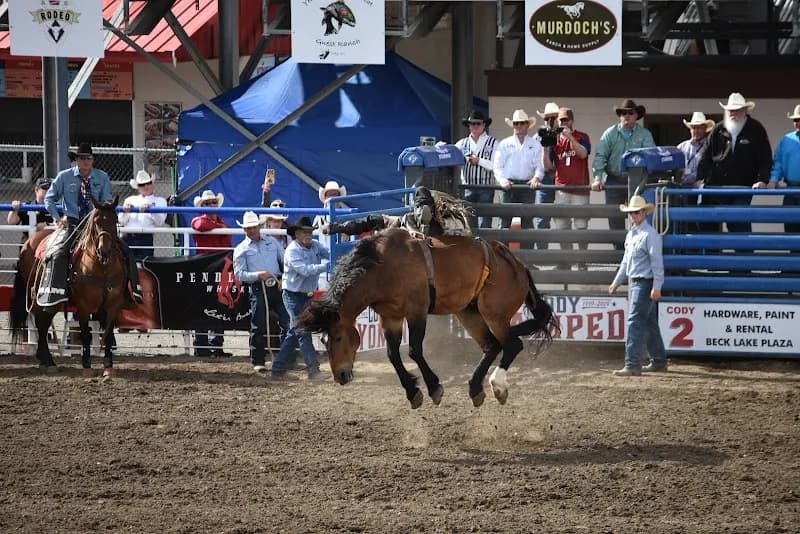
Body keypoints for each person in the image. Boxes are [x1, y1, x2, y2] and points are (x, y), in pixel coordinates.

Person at [40, 142, 143, 308]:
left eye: (88, 158)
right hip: (73, 224)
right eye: (82, 158)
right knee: (59, 253)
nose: (86, 161)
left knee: (126, 251)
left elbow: (107, 199)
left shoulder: (102, 177)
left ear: (93, 160)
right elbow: (49, 198)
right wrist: (57, 218)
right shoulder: (64, 177)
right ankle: (56, 292)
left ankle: (132, 292)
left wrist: (107, 207)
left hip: (96, 225)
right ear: (76, 160)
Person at [697, 93, 772, 233]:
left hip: (743, 186)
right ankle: (713, 254)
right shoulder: (718, 129)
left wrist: (762, 180)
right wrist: (700, 178)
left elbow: (765, 158)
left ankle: (744, 254)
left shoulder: (756, 129)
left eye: (737, 110)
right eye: (730, 110)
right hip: (717, 187)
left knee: (739, 222)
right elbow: (705, 156)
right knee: (710, 223)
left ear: (745, 111)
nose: (733, 113)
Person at [608, 195, 667, 376]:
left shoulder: (650, 235)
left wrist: (657, 286)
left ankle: (632, 363)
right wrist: (617, 281)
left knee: (635, 322)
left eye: (636, 212)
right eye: (631, 213)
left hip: (643, 282)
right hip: (637, 282)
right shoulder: (634, 234)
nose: (633, 216)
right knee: (648, 323)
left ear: (643, 213)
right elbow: (626, 262)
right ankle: (658, 360)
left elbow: (657, 263)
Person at [271, 216, 329, 380]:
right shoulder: (292, 251)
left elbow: (329, 254)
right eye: (304, 232)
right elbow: (304, 270)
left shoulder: (315, 245)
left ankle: (278, 368)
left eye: (310, 231)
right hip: (293, 296)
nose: (308, 234)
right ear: (296, 234)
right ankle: (313, 370)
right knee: (303, 331)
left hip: (304, 295)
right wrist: (327, 265)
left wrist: (335, 257)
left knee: (295, 332)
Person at [592, 99, 655, 249]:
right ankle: (619, 253)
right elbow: (600, 156)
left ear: (636, 116)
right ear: (620, 116)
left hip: (638, 181)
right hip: (614, 179)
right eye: (623, 113)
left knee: (638, 217)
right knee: (615, 218)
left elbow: (651, 156)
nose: (626, 116)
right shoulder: (610, 133)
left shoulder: (644, 134)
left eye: (630, 113)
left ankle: (637, 251)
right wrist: (597, 178)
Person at [233, 211, 290, 375]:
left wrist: (283, 280)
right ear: (244, 230)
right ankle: (258, 361)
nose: (251, 230)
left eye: (253, 227)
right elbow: (239, 274)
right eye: (248, 228)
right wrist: (258, 275)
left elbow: (284, 262)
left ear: (258, 226)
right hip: (259, 288)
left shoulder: (273, 243)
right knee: (258, 325)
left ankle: (284, 359)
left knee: (288, 322)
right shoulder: (241, 249)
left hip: (277, 286)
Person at [542, 107, 591, 270]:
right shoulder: (555, 140)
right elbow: (548, 167)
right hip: (562, 189)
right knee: (562, 227)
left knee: (581, 227)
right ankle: (567, 261)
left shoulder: (582, 136)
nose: (563, 123)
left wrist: (570, 137)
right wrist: (545, 146)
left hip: (580, 189)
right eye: (560, 120)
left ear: (571, 120)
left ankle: (582, 261)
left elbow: (583, 154)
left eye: (565, 120)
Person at [324, 186, 471, 238]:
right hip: (437, 230)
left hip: (422, 230)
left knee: (379, 222)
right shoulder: (451, 216)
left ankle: (341, 227)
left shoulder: (407, 219)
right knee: (379, 221)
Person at [492, 109, 545, 249]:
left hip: (528, 185)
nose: (519, 126)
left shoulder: (535, 144)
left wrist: (536, 178)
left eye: (522, 123)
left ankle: (528, 260)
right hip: (508, 184)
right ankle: (502, 258)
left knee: (527, 222)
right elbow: (497, 166)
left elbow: (540, 166)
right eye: (516, 123)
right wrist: (502, 180)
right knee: (505, 222)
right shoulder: (504, 144)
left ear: (527, 125)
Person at [190, 190, 233, 357]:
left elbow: (226, 240)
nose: (211, 205)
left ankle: (216, 344)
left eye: (213, 202)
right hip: (206, 268)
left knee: (220, 304)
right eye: (207, 203)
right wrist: (221, 228)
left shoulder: (221, 223)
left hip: (219, 269)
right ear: (202, 206)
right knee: (204, 305)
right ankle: (202, 345)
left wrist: (220, 228)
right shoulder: (201, 221)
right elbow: (200, 226)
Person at [453, 109, 498, 229]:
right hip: (467, 187)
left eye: (478, 123)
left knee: (485, 221)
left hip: (486, 187)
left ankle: (485, 246)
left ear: (484, 125)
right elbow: (449, 152)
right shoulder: (462, 143)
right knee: (469, 222)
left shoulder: (494, 143)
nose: (475, 126)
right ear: (468, 125)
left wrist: (479, 161)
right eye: (472, 123)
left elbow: (496, 166)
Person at [119, 170, 168, 260]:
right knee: (126, 264)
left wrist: (151, 210)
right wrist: (125, 211)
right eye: (142, 185)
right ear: (138, 187)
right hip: (128, 237)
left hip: (146, 238)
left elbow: (160, 222)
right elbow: (122, 220)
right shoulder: (130, 199)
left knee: (145, 265)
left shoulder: (160, 201)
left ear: (152, 184)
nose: (146, 186)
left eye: (148, 183)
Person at [532, 102, 560, 249]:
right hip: (545, 178)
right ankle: (543, 255)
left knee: (563, 219)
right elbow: (536, 163)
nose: (549, 121)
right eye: (547, 118)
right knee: (541, 217)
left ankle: (566, 260)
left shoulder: (564, 134)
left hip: (562, 179)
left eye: (553, 117)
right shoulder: (537, 137)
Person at [768, 104, 800, 233]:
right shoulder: (786, 140)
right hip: (791, 190)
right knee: (791, 230)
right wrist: (773, 180)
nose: (797, 123)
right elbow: (778, 163)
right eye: (795, 120)